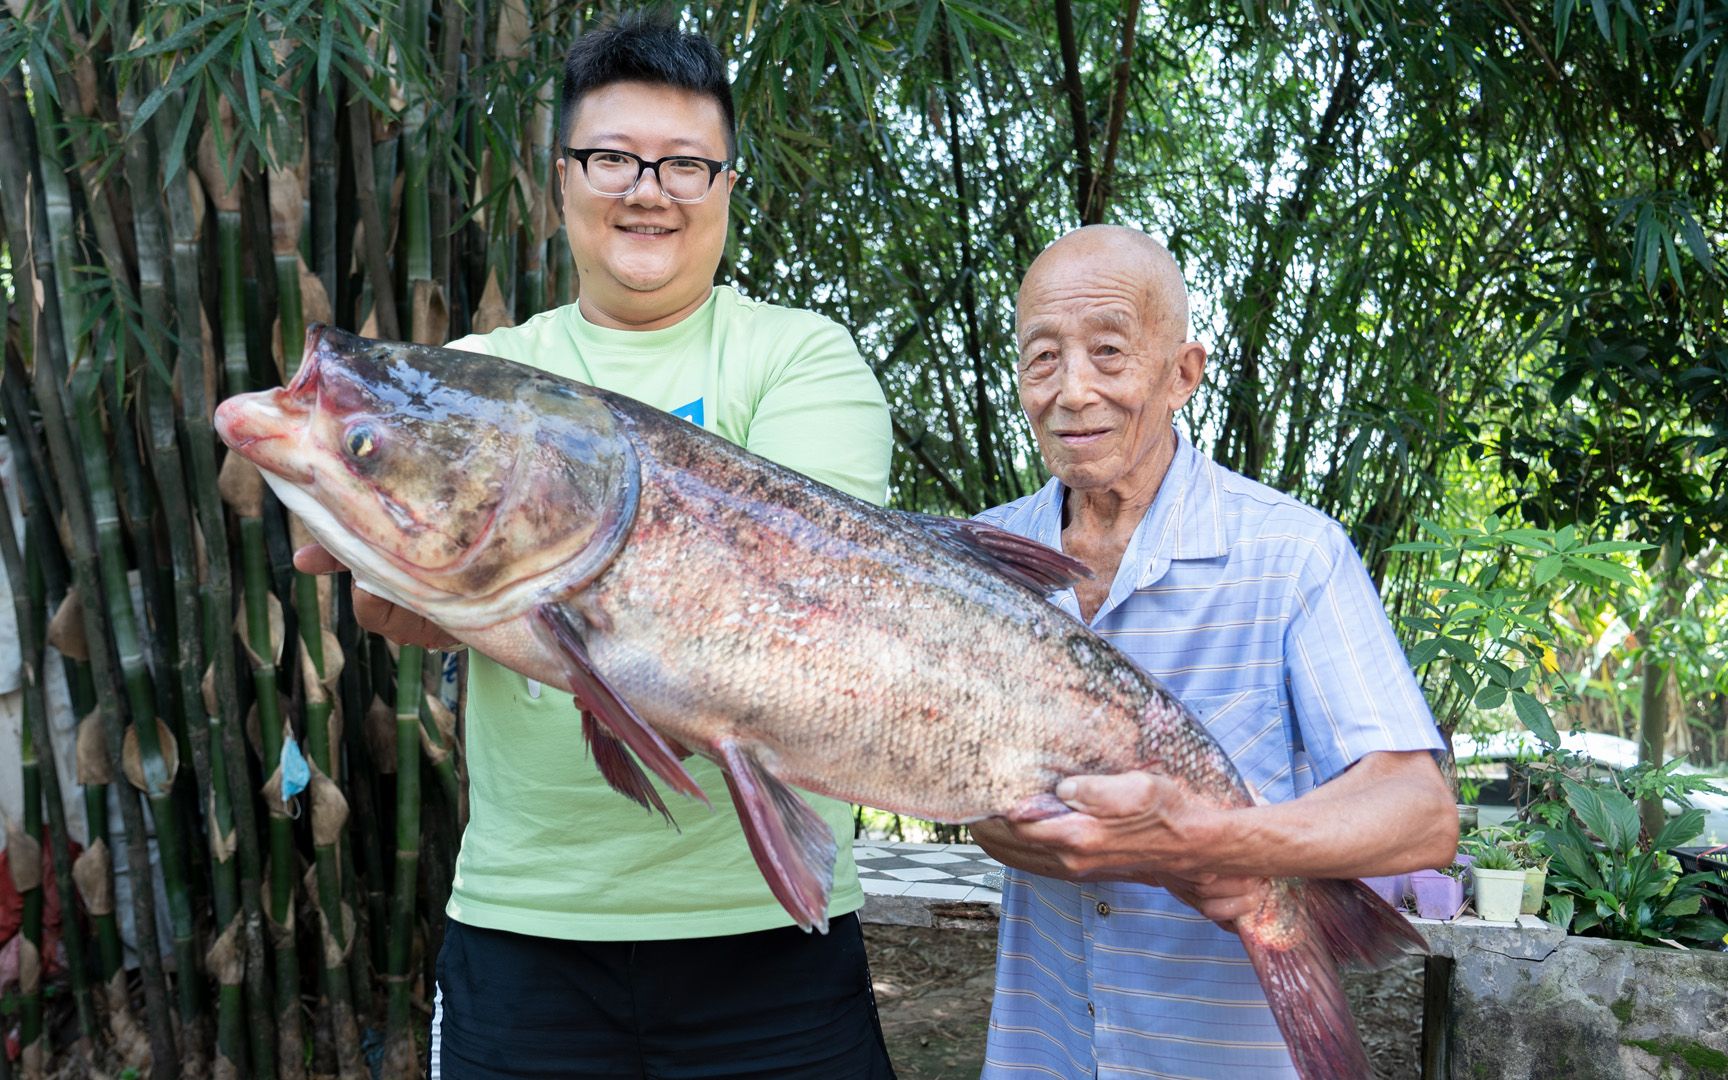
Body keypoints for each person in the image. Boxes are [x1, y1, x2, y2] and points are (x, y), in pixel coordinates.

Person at [296, 14, 897, 1078]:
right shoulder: (481, 370)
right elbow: (399, 585)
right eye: (612, 157)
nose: (647, 188)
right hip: (528, 937)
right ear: (562, 177)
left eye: (684, 163)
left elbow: (814, 616)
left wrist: (495, 576)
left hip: (770, 942)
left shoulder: (801, 356)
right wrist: (378, 556)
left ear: (725, 183)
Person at [967, 225, 1459, 1079]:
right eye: (1042, 358)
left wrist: (1218, 841)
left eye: (1110, 353)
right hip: (1041, 1051)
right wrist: (1142, 846)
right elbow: (972, 797)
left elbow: (1418, 811)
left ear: (1182, 374)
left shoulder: (1293, 553)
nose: (1072, 390)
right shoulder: (984, 554)